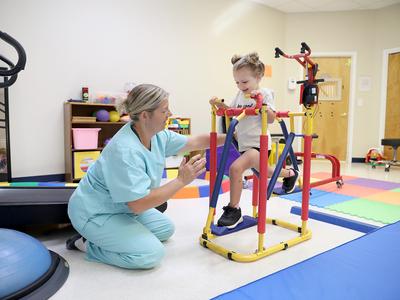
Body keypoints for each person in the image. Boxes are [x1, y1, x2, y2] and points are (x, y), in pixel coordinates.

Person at [67, 83, 225, 269]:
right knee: (150, 254)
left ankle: (118, 231)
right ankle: (86, 244)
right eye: (164, 111)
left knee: (166, 229)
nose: (170, 114)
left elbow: (196, 141)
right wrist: (181, 180)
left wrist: (233, 136)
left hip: (122, 207)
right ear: (144, 115)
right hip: (94, 212)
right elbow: (138, 203)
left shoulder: (157, 136)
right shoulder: (125, 150)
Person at [209, 52, 299, 229]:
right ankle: (291, 174)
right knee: (268, 173)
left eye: (244, 82)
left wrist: (260, 104)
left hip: (259, 146)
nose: (241, 86)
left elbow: (272, 118)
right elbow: (232, 110)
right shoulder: (240, 95)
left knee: (235, 169)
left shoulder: (264, 93)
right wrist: (220, 105)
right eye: (237, 82)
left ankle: (233, 210)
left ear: (258, 77)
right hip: (244, 145)